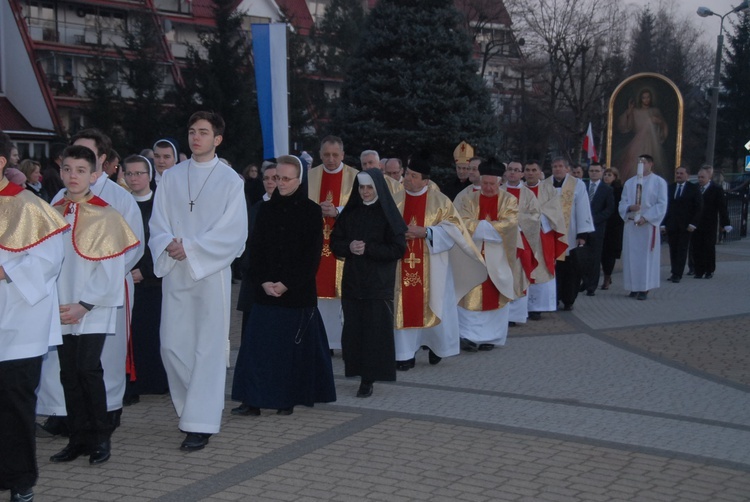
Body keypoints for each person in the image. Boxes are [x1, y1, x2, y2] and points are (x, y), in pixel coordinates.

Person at [149, 111, 247, 451]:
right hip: (175, 269)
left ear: (217, 139)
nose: (196, 137)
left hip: (210, 271)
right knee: (172, 345)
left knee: (207, 347)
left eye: (203, 132)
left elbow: (234, 232)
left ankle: (201, 421)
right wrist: (166, 243)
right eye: (192, 131)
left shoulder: (230, 180)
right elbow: (158, 221)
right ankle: (190, 406)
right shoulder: (172, 176)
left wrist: (190, 247)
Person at [38, 129, 144, 438]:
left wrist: (88, 300)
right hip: (64, 297)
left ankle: (103, 426)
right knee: (68, 370)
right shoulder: (58, 202)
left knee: (93, 366)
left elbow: (126, 252)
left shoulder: (114, 204)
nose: (75, 173)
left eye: (83, 166)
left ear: (99, 166)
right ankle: (75, 430)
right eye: (69, 167)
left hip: (98, 299)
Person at [231, 155, 336, 415]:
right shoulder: (265, 209)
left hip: (295, 294)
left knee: (288, 354)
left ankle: (285, 400)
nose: (280, 183)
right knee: (257, 351)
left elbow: (310, 257)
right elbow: (255, 250)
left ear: (299, 180)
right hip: (264, 292)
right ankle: (252, 400)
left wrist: (286, 284)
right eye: (277, 178)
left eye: (286, 178)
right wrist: (265, 281)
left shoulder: (311, 211)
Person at [0, 131, 67, 502]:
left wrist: (6, 272)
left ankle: (21, 480)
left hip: (18, 322)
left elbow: (48, 260)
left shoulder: (29, 205)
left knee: (15, 404)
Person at [393, 153, 486, 368]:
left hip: (434, 266)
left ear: (426, 180)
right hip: (401, 263)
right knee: (403, 306)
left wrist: (426, 232)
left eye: (414, 176)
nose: (408, 179)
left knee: (435, 304)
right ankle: (405, 354)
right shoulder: (395, 198)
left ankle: (437, 347)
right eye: (407, 174)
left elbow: (455, 231)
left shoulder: (440, 201)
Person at [331, 169, 407, 397]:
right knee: (354, 331)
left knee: (375, 332)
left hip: (378, 284)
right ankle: (355, 370)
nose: (364, 192)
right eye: (361, 187)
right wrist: (349, 247)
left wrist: (369, 249)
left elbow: (398, 248)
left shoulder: (387, 214)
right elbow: (336, 242)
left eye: (369, 188)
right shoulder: (350, 212)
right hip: (353, 282)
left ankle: (369, 378)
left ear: (378, 189)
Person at [456, 159, 519, 350]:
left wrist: (481, 227)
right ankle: (467, 336)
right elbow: (462, 222)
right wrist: (487, 228)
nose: (489, 188)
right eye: (485, 183)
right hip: (473, 256)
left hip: (498, 257)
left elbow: (510, 224)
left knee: (495, 293)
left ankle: (491, 338)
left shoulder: (509, 200)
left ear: (500, 182)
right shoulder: (468, 199)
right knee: (470, 293)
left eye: (492, 184)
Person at [121, 155, 168, 404]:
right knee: (130, 335)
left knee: (153, 332)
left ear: (149, 175)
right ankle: (132, 384)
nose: (134, 178)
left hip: (153, 281)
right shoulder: (120, 204)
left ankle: (156, 381)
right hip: (126, 279)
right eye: (129, 174)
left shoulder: (161, 204)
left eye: (139, 173)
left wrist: (146, 270)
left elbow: (163, 239)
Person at [307, 136, 359, 351]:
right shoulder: (309, 177)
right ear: (320, 155)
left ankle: (344, 342)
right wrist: (314, 210)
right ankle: (322, 342)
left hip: (344, 248)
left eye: (335, 155)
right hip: (316, 247)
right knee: (317, 297)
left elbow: (362, 211)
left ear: (343, 155)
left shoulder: (356, 178)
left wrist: (337, 211)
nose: (330, 159)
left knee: (343, 297)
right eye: (326, 155)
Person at [545, 158, 594, 311]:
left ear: (567, 169)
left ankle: (569, 299)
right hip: (550, 233)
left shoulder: (577, 184)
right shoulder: (545, 184)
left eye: (560, 166)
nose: (557, 169)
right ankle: (554, 297)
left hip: (570, 234)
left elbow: (583, 208)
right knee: (553, 268)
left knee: (570, 269)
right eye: (554, 166)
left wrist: (582, 234)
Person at [235, 162, 277, 336]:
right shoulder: (255, 209)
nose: (269, 182)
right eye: (266, 178)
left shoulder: (291, 208)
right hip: (254, 278)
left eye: (274, 178)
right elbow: (246, 242)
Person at [618, 154, 668, 300]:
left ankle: (644, 287)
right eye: (639, 162)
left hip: (647, 225)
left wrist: (646, 217)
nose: (641, 164)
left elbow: (661, 204)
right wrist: (629, 207)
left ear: (651, 164)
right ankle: (633, 287)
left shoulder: (658, 182)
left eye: (644, 162)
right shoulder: (630, 182)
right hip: (632, 224)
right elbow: (622, 202)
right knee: (631, 257)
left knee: (645, 258)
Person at [523, 161, 567, 320]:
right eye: (527, 170)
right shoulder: (519, 190)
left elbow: (555, 211)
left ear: (540, 172)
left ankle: (537, 308)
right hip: (523, 236)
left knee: (541, 269)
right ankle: (522, 306)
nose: (530, 173)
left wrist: (535, 218)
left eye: (533, 170)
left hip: (542, 236)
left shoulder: (549, 190)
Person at [502, 160, 542, 325]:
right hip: (502, 241)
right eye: (510, 169)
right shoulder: (499, 191)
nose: (512, 173)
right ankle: (502, 313)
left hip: (521, 241)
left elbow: (535, 217)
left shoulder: (528, 194)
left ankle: (516, 315)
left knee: (518, 276)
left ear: (522, 174)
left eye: (516, 170)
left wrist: (516, 220)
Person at [615, 88, 669, 180]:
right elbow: (627, 127)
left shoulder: (655, 111)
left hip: (650, 142)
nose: (646, 100)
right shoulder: (635, 111)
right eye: (644, 98)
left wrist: (657, 121)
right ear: (640, 99)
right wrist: (630, 111)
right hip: (637, 141)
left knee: (647, 162)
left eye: (648, 97)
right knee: (632, 160)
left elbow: (663, 125)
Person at [661, 166, 702, 283]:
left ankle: (678, 273)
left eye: (681, 173)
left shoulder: (693, 188)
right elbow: (665, 207)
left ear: (687, 175)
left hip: (686, 226)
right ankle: (674, 271)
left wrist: (693, 223)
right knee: (673, 249)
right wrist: (663, 224)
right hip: (672, 225)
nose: (678, 175)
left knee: (682, 249)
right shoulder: (670, 188)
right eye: (677, 173)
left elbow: (698, 207)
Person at [691, 166, 732, 279]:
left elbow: (722, 207)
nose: (700, 179)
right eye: (699, 177)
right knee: (697, 247)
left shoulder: (716, 189)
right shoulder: (695, 188)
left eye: (703, 177)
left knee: (708, 247)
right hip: (696, 223)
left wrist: (725, 223)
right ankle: (699, 271)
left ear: (709, 177)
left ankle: (709, 270)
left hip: (710, 223)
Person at [581, 163, 614, 296]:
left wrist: (594, 219)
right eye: (591, 171)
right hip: (582, 227)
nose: (594, 173)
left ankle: (592, 286)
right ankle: (584, 281)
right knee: (582, 257)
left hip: (597, 228)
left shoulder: (606, 189)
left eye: (597, 171)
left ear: (601, 172)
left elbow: (609, 209)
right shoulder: (582, 186)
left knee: (594, 258)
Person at [600, 167, 624, 289]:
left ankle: (607, 277)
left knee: (609, 254)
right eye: (605, 174)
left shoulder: (619, 190)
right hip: (601, 224)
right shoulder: (600, 188)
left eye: (609, 175)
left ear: (615, 177)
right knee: (600, 253)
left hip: (614, 226)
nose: (606, 177)